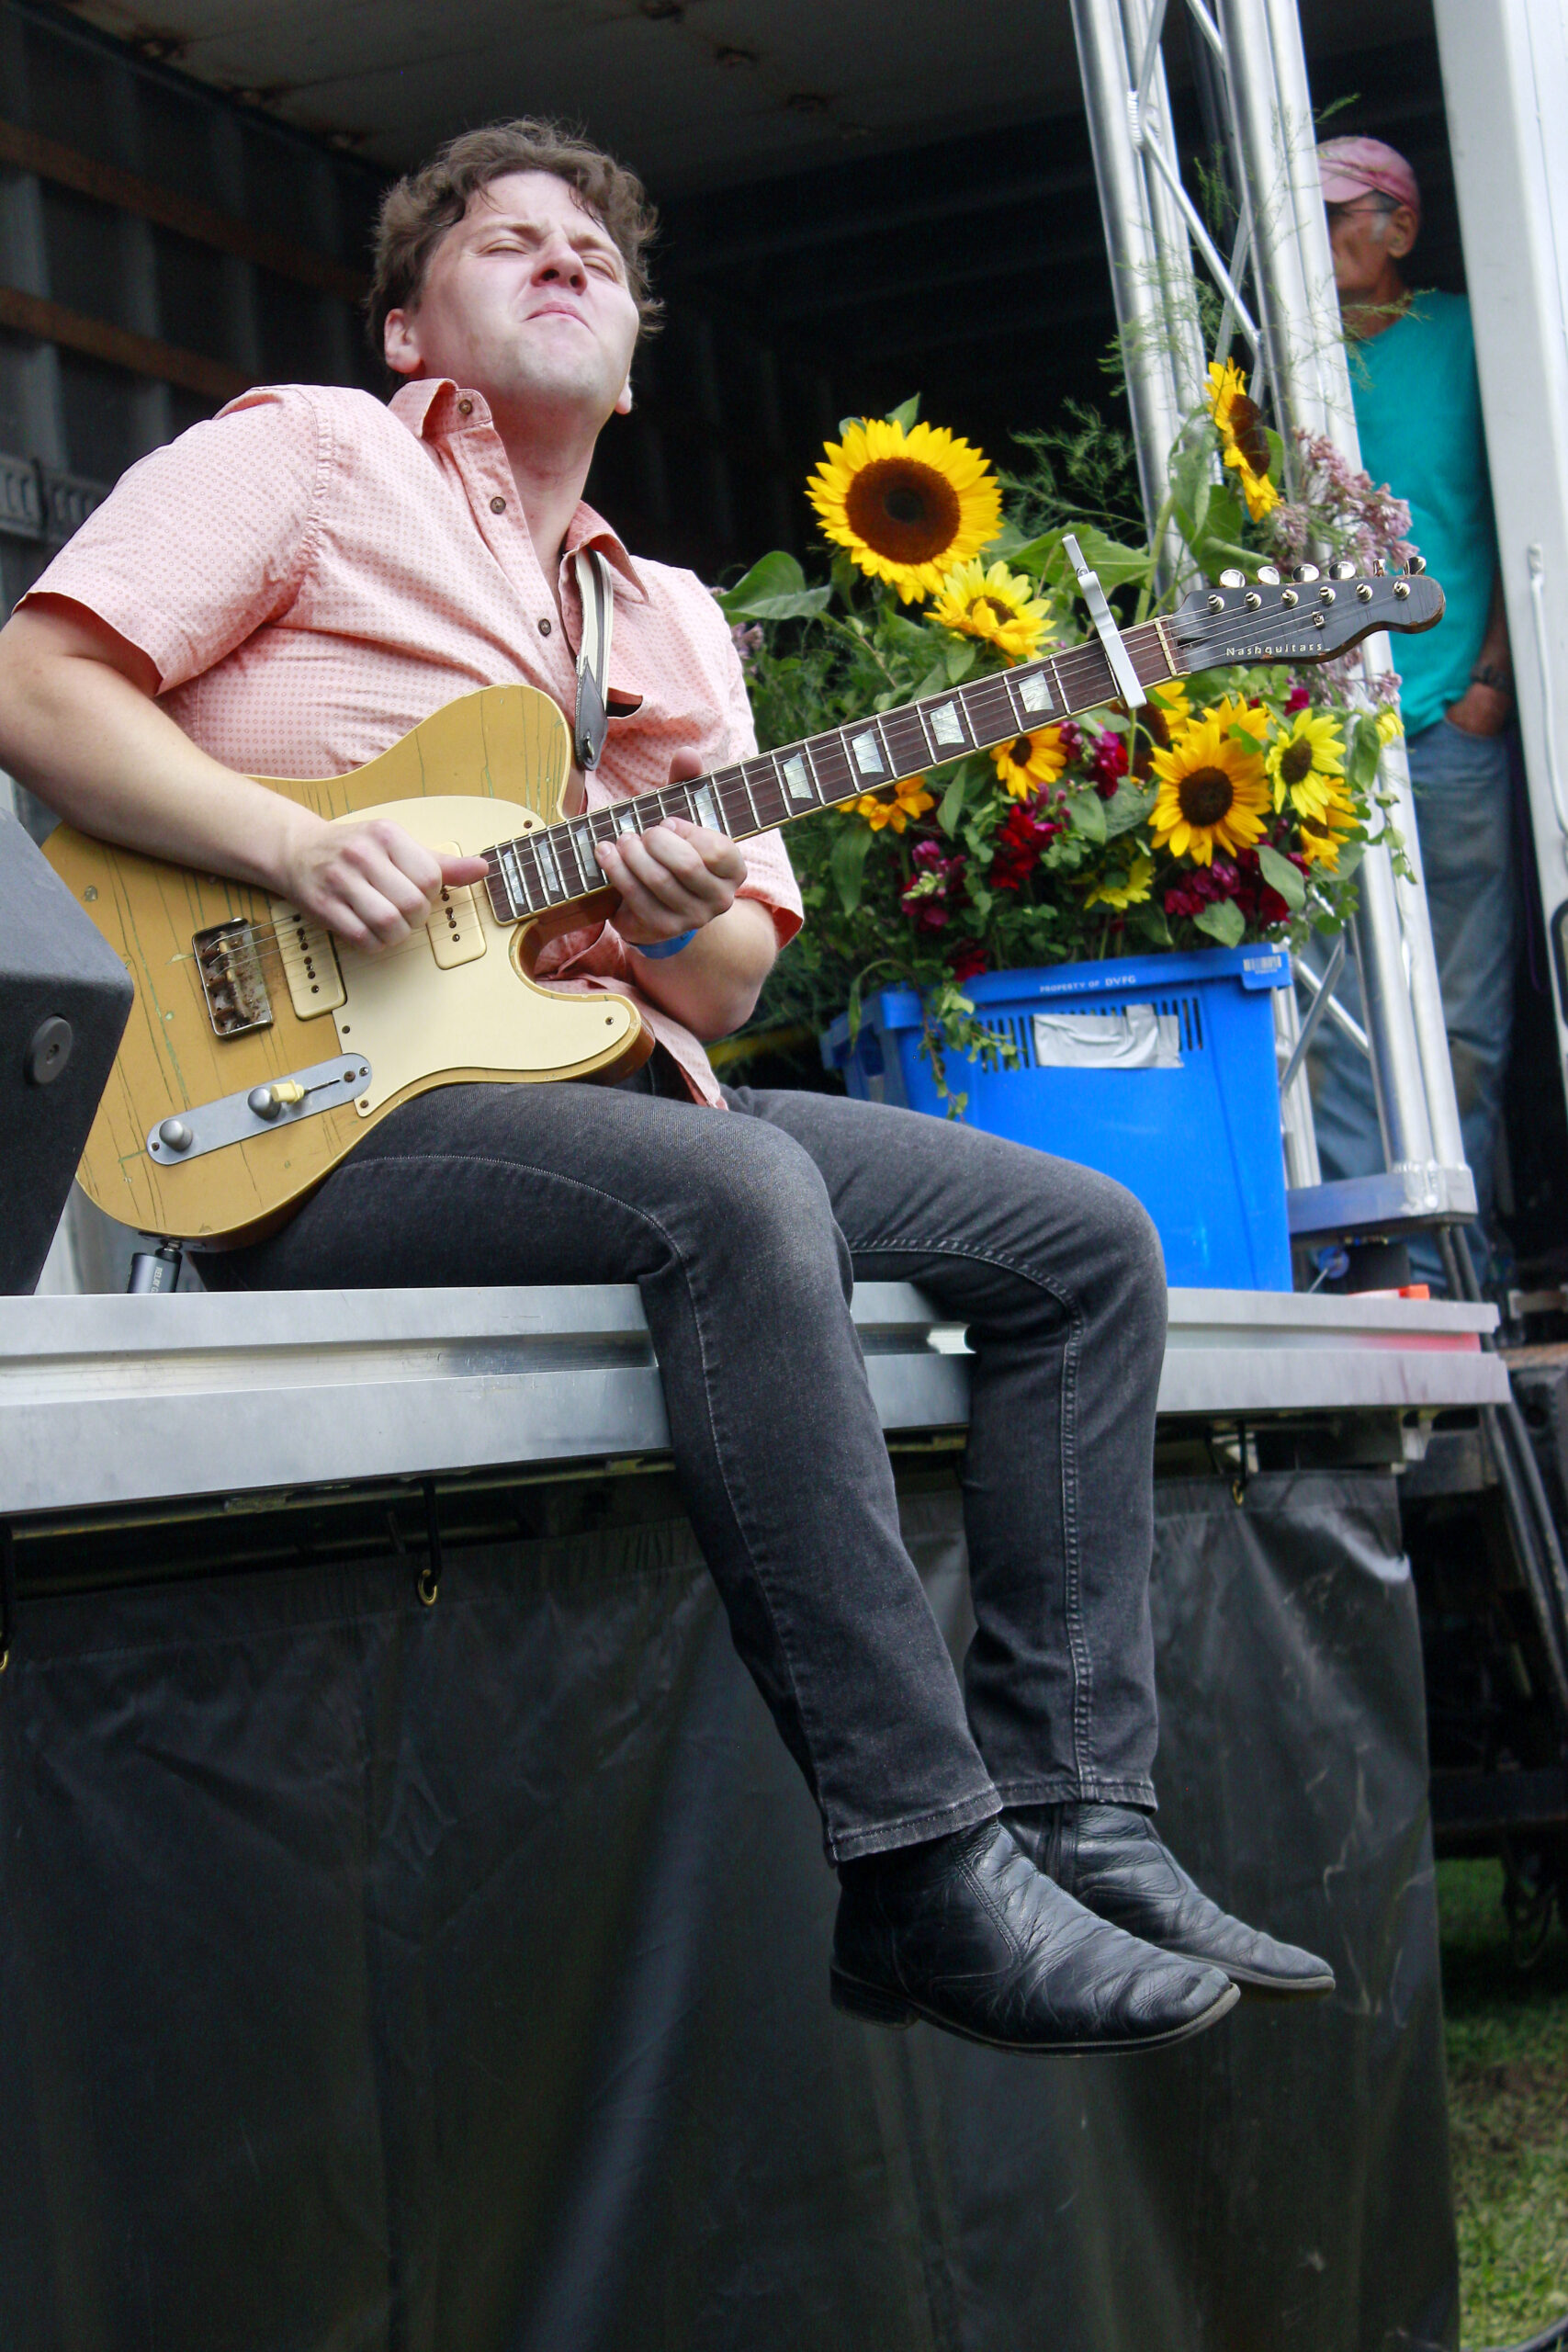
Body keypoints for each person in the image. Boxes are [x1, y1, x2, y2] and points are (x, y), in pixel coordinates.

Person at [0, 119, 1332, 2053]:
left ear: (631, 365)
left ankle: (1079, 1814)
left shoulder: (672, 622)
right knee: (741, 1195)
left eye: (599, 256)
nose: (563, 260)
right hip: (299, 1110)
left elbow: (722, 984)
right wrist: (289, 843)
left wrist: (669, 910)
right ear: (405, 327)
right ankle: (919, 1870)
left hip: (599, 1086)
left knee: (1085, 1244)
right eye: (504, 238)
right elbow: (39, 685)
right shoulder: (313, 455)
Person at [1313, 135, 1517, 1279]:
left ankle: (1456, 1262)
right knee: (1341, 1009)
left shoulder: (1471, 337)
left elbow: (1529, 497)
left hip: (1451, 720)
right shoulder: (1288, 359)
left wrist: (1494, 680)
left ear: (1400, 226)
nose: (1320, 237)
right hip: (1330, 735)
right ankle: (1381, 1265)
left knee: (1465, 1013)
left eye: (1340, 214)